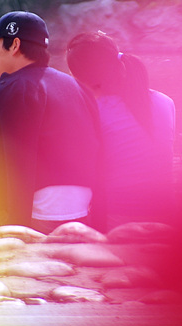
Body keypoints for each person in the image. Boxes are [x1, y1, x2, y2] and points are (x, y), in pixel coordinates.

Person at [0, 11, 104, 234]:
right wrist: (100, 224)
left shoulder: (5, 93)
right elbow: (100, 156)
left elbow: (16, 164)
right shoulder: (79, 89)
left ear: (14, 45)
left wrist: (18, 231)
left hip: (37, 215)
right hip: (82, 213)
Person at [66, 31, 176, 229]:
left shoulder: (93, 111)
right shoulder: (165, 102)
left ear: (79, 79)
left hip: (118, 215)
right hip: (165, 213)